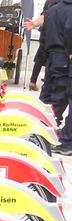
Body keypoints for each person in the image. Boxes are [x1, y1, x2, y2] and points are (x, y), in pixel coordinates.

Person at [37, 0, 72, 154]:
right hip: (64, 56)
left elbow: (43, 37)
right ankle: (54, 135)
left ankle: (42, 130)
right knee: (60, 96)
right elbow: (69, 30)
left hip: (52, 56)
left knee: (48, 96)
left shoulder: (51, 10)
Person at [24, 0, 60, 91]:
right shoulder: (60, 2)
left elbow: (44, 15)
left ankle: (33, 81)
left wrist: (35, 23)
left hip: (45, 31)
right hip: (55, 32)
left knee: (40, 57)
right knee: (52, 57)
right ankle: (48, 83)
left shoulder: (49, 1)